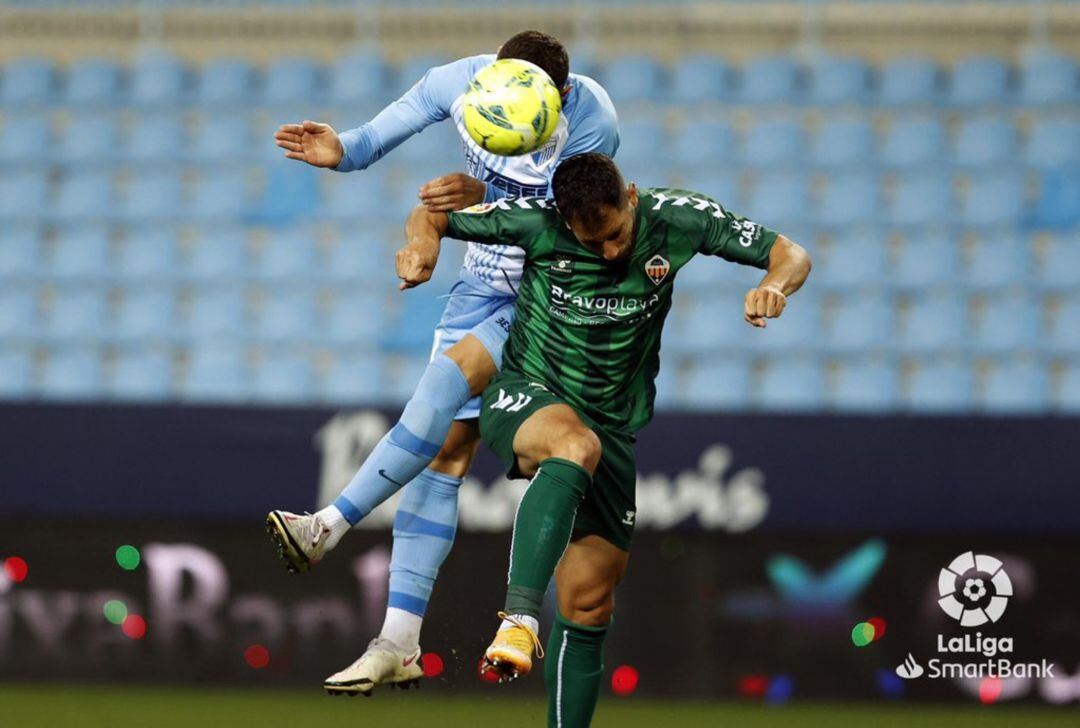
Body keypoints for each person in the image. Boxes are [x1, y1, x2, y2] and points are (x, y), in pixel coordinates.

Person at [395, 152, 812, 727]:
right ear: (565, 222)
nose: (612, 251)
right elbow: (432, 216)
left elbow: (791, 253)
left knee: (590, 605)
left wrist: (775, 287)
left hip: (612, 425)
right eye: (594, 243)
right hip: (528, 393)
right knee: (573, 447)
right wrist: (424, 247)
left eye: (617, 235)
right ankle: (517, 619)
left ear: (632, 196)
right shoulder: (535, 221)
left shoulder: (679, 217)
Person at [265, 31, 619, 695]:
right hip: (481, 280)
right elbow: (369, 141)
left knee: (447, 377)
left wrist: (483, 188)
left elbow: (576, 220)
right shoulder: (460, 83)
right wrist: (337, 150)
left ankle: (327, 525)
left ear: (560, 95)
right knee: (444, 457)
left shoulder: (591, 120)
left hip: (547, 290)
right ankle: (399, 641)